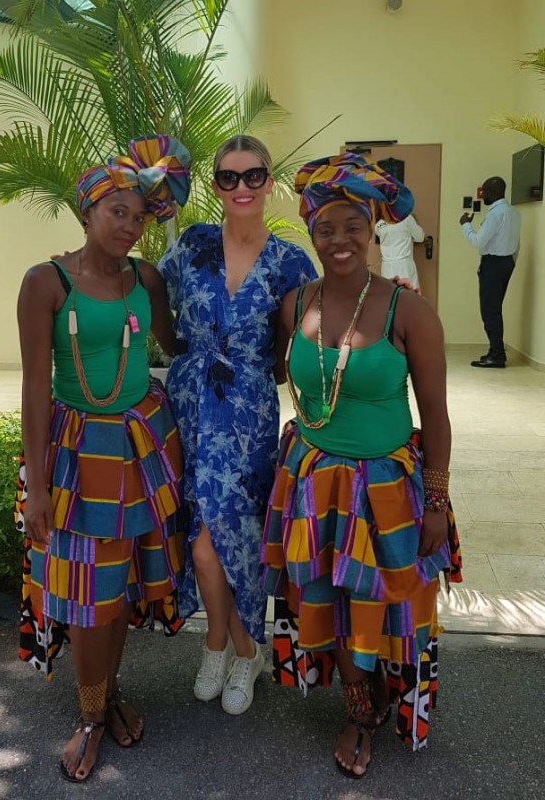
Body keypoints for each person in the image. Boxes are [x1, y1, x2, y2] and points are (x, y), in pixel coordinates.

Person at [261, 152, 462, 778]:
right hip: (313, 480)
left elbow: (437, 417)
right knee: (330, 595)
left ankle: (378, 697)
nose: (339, 239)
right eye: (325, 228)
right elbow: (268, 368)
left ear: (373, 228)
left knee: (382, 602)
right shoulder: (295, 305)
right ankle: (356, 709)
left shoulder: (410, 312)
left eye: (353, 225)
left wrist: (436, 504)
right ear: (311, 233)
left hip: (386, 487)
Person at [15, 134, 190, 782]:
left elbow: (178, 344)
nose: (129, 226)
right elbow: (35, 388)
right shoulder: (46, 282)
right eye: (117, 211)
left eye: (139, 216)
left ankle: (109, 694)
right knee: (89, 592)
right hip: (77, 451)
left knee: (117, 587)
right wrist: (37, 486)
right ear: (86, 211)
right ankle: (90, 717)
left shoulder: (145, 278)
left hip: (140, 446)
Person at [156, 135, 318, 715]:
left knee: (227, 541)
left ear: (269, 182)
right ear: (216, 184)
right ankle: (224, 646)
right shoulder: (193, 243)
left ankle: (240, 648)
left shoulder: (291, 263)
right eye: (229, 177)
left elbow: (302, 341)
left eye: (253, 176)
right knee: (201, 541)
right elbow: (147, 290)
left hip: (247, 415)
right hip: (190, 406)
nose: (242, 187)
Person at [459, 176, 521, 368]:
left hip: (493, 264)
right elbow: (516, 243)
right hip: (507, 263)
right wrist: (511, 262)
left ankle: (496, 355)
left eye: (484, 191)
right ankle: (496, 351)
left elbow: (478, 241)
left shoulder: (495, 214)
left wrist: (465, 224)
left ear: (493, 193)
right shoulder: (514, 212)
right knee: (495, 309)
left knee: (490, 311)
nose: (482, 194)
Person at [375, 213, 425, 289]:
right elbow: (420, 237)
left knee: (389, 293)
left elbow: (379, 234)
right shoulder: (407, 219)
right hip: (404, 266)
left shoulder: (379, 224)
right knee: (409, 293)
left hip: (387, 268)